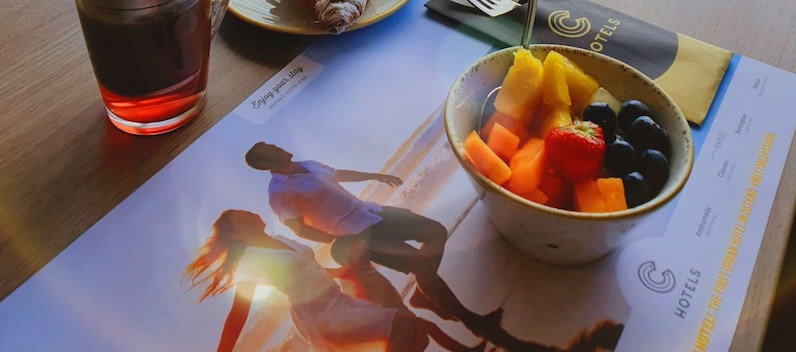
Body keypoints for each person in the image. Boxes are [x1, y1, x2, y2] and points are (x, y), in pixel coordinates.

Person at [244, 142, 573, 352]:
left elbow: (337, 174)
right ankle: (473, 321)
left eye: (272, 143)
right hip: (355, 233)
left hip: (372, 212)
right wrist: (337, 238)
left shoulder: (307, 164)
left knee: (434, 231)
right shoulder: (279, 192)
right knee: (418, 263)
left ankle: (423, 294)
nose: (277, 146)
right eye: (269, 148)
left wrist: (375, 175)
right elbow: (298, 228)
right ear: (264, 162)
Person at [184, 210, 485, 352]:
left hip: (337, 301)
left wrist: (338, 272)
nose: (250, 213)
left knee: (412, 327)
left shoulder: (280, 240)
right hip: (321, 316)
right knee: (404, 328)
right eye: (242, 216)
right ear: (236, 234)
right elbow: (239, 311)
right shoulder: (252, 261)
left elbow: (308, 270)